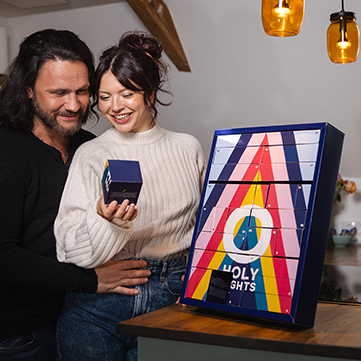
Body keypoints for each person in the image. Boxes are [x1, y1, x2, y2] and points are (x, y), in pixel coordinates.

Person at [54, 31, 206, 361]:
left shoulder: (187, 148)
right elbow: (68, 249)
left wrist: (197, 285)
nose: (115, 107)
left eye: (127, 93)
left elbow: (208, 230)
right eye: (104, 96)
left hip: (173, 296)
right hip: (96, 309)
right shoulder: (92, 154)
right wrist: (105, 220)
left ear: (149, 92)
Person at [0, 29, 151, 361]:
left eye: (82, 91)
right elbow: (4, 256)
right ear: (27, 89)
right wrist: (90, 280)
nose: (73, 105)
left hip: (83, 316)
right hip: (20, 335)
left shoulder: (91, 146)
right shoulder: (7, 149)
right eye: (58, 93)